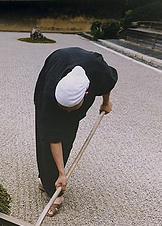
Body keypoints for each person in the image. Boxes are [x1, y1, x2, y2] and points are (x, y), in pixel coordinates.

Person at [34, 47, 118, 216]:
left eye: (70, 108)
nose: (66, 112)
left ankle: (53, 181)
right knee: (46, 134)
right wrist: (62, 173)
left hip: (84, 66)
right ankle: (50, 183)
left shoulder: (99, 71)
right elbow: (53, 137)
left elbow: (107, 83)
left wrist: (106, 102)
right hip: (56, 63)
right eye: (63, 108)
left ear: (86, 94)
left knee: (68, 132)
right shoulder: (50, 96)